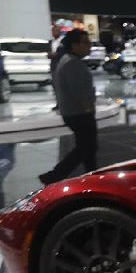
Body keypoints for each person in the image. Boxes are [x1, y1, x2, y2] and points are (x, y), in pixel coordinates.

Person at [39, 29, 97, 185]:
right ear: (74, 45)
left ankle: (93, 175)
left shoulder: (68, 60)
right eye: (86, 43)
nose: (89, 46)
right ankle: (54, 176)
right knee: (86, 147)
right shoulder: (72, 63)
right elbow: (76, 90)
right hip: (78, 113)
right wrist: (87, 108)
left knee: (88, 148)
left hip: (74, 112)